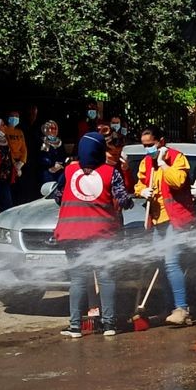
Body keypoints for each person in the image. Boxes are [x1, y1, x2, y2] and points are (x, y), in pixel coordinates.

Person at [54, 132, 133, 337]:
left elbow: (57, 195)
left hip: (71, 234)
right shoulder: (110, 172)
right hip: (102, 235)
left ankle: (74, 327)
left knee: (78, 279)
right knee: (106, 277)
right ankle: (109, 325)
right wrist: (129, 201)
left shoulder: (70, 170)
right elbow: (123, 199)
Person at [135, 126, 196, 326]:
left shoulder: (177, 158)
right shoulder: (146, 162)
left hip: (175, 220)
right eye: (144, 146)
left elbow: (178, 181)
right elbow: (139, 183)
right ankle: (169, 308)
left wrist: (162, 163)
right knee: (161, 265)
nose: (147, 149)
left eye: (150, 145)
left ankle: (182, 308)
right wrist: (142, 191)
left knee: (171, 263)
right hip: (156, 220)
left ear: (161, 141)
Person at [3, 110, 28, 203]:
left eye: (17, 116)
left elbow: (24, 148)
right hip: (9, 162)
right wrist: (14, 164)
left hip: (19, 163)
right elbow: (6, 147)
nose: (15, 118)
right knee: (9, 187)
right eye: (12, 116)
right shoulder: (4, 129)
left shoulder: (19, 132)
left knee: (19, 187)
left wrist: (21, 163)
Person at [39, 120, 67, 188]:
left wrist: (61, 164)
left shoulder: (59, 141)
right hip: (48, 171)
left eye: (55, 128)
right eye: (51, 128)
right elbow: (43, 157)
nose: (53, 130)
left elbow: (63, 155)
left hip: (59, 169)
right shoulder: (43, 141)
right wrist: (52, 166)